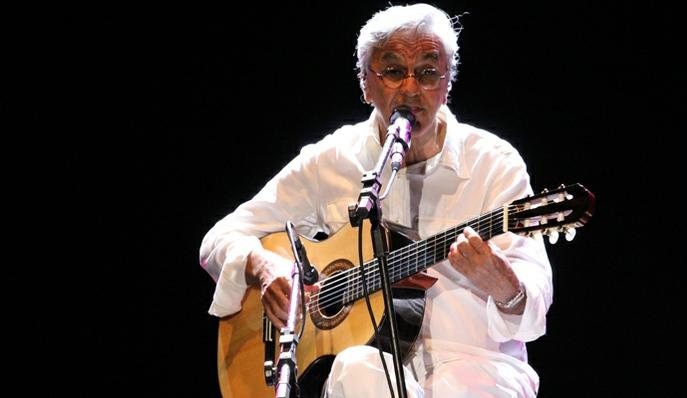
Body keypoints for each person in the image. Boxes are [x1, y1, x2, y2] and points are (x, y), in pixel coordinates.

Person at [200, 3, 553, 397]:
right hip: (370, 376)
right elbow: (222, 236)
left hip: (478, 370)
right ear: (366, 83)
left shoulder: (494, 162)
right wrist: (264, 266)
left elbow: (534, 306)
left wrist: (505, 286)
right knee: (355, 367)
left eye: (427, 72)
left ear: (447, 82)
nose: (410, 88)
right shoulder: (334, 159)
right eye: (393, 72)